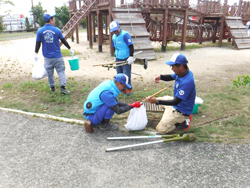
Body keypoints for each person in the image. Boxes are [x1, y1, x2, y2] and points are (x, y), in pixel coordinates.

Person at [146, 53, 196, 134]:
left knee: (160, 130)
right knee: (160, 98)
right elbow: (171, 77)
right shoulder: (182, 73)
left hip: (180, 111)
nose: (172, 68)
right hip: (175, 104)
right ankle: (170, 117)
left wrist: (157, 102)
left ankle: (180, 121)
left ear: (181, 66)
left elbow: (176, 101)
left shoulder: (187, 82)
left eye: (173, 66)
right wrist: (160, 77)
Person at [34, 13, 74, 94]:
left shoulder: (40, 31)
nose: (54, 20)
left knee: (49, 73)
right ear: (50, 20)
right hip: (57, 56)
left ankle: (52, 87)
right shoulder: (57, 30)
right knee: (61, 71)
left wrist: (35, 53)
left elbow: (38, 43)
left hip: (47, 57)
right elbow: (63, 40)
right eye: (53, 19)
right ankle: (63, 88)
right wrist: (70, 48)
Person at [110, 21, 134, 95]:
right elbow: (114, 47)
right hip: (118, 58)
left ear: (119, 27)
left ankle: (128, 89)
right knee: (119, 75)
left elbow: (131, 46)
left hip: (125, 58)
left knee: (126, 75)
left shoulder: (125, 35)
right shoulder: (113, 37)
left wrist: (130, 57)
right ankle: (121, 89)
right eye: (113, 31)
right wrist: (115, 56)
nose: (115, 32)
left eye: (116, 30)